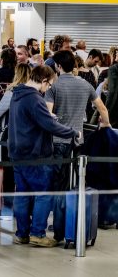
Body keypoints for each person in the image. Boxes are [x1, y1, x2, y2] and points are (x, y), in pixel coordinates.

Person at [8, 65, 79, 248]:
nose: (47, 89)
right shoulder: (34, 98)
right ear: (44, 80)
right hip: (36, 154)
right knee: (43, 194)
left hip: (17, 152)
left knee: (22, 194)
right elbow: (50, 126)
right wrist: (73, 133)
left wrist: (46, 116)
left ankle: (21, 233)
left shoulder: (17, 94)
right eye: (48, 85)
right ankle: (37, 234)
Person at [45, 50, 111, 242]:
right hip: (78, 141)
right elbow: (102, 108)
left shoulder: (54, 86)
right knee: (75, 183)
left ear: (57, 66)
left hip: (58, 141)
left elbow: (49, 115)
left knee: (58, 185)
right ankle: (73, 222)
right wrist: (106, 124)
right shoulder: (86, 84)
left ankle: (58, 228)